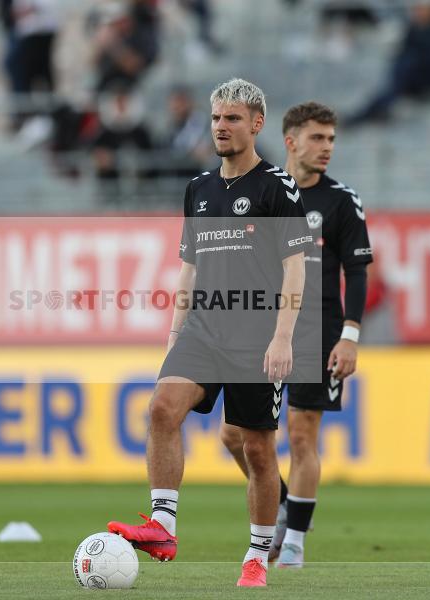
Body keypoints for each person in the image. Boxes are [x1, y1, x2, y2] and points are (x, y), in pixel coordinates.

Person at [107, 78, 308, 587]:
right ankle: (162, 525)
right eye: (216, 118)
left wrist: (284, 336)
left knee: (257, 449)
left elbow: (296, 265)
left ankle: (258, 554)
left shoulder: (276, 187)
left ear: (256, 124)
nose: (221, 126)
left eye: (232, 118)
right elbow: (189, 269)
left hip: (257, 336)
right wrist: (175, 331)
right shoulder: (198, 188)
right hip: (203, 329)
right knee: (160, 409)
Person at [220, 102, 373, 568]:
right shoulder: (262, 190)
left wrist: (350, 336)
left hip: (318, 332)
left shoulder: (341, 202)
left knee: (303, 437)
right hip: (262, 328)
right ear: (290, 141)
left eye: (331, 139)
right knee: (233, 435)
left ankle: (293, 545)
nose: (327, 147)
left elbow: (358, 272)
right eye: (317, 138)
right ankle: (283, 502)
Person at [345, 3, 430, 126]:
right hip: (404, 77)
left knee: (406, 65)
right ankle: (368, 113)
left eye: (421, 8)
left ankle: (365, 115)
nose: (417, 12)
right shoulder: (414, 30)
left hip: (419, 80)